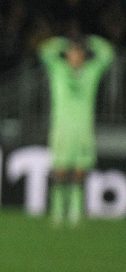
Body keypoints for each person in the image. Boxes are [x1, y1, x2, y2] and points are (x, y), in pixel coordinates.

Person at [39, 34, 115, 226]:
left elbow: (108, 55)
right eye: (71, 53)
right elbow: (45, 52)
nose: (75, 57)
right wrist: (64, 42)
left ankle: (75, 211)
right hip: (61, 129)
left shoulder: (91, 71)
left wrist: (91, 41)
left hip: (83, 130)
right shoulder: (59, 70)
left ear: (83, 56)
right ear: (67, 55)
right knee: (60, 170)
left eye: (78, 53)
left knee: (80, 171)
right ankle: (57, 211)